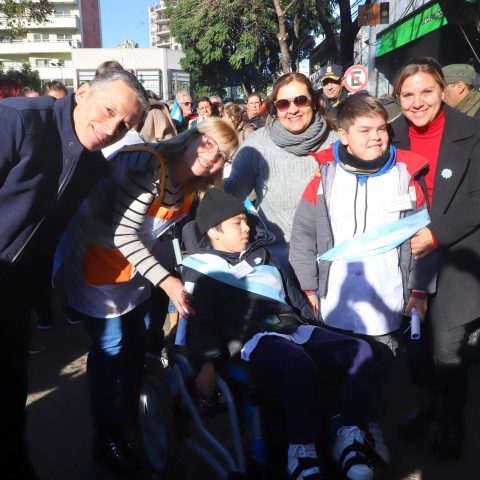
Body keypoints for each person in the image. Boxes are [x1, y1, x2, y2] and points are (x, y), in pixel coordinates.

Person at [60, 118, 238, 473]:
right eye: (208, 143)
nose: (211, 156)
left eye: (222, 155)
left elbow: (180, 230)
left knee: (137, 341)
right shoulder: (147, 165)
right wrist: (168, 281)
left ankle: (131, 411)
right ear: (193, 136)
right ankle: (106, 435)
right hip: (98, 265)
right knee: (110, 347)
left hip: (137, 269)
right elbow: (124, 235)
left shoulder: (192, 183)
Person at [0, 67, 148, 479]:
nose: (113, 129)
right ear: (82, 93)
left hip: (15, 299)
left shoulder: (93, 165)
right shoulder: (18, 121)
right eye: (109, 111)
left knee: (9, 404)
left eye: (126, 125)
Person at [182, 187, 388, 480]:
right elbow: (200, 322)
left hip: (291, 327)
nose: (247, 227)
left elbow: (295, 300)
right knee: (297, 362)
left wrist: (320, 330)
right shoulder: (203, 270)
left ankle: (349, 435)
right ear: (214, 231)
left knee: (360, 350)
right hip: (250, 339)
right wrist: (205, 363)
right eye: (237, 223)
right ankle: (300, 453)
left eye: (246, 220)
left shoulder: (264, 255)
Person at [289, 94, 433, 369]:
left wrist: (419, 291)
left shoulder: (407, 176)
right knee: (338, 380)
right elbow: (303, 235)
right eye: (365, 131)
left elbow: (423, 242)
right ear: (343, 135)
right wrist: (308, 288)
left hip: (387, 306)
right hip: (333, 306)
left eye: (381, 129)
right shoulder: (324, 177)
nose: (376, 137)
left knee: (384, 379)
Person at [389, 57, 480, 460]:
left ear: (444, 91)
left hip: (456, 256)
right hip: (408, 260)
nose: (418, 102)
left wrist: (436, 234)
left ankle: (451, 421)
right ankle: (427, 405)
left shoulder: (472, 132)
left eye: (426, 91)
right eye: (407, 94)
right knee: (415, 348)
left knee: (447, 351)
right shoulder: (389, 136)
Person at [224, 72, 337, 270]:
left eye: (300, 100)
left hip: (334, 258)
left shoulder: (337, 142)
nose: (292, 109)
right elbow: (230, 196)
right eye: (283, 104)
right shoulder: (257, 144)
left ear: (313, 102)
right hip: (280, 261)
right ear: (275, 108)